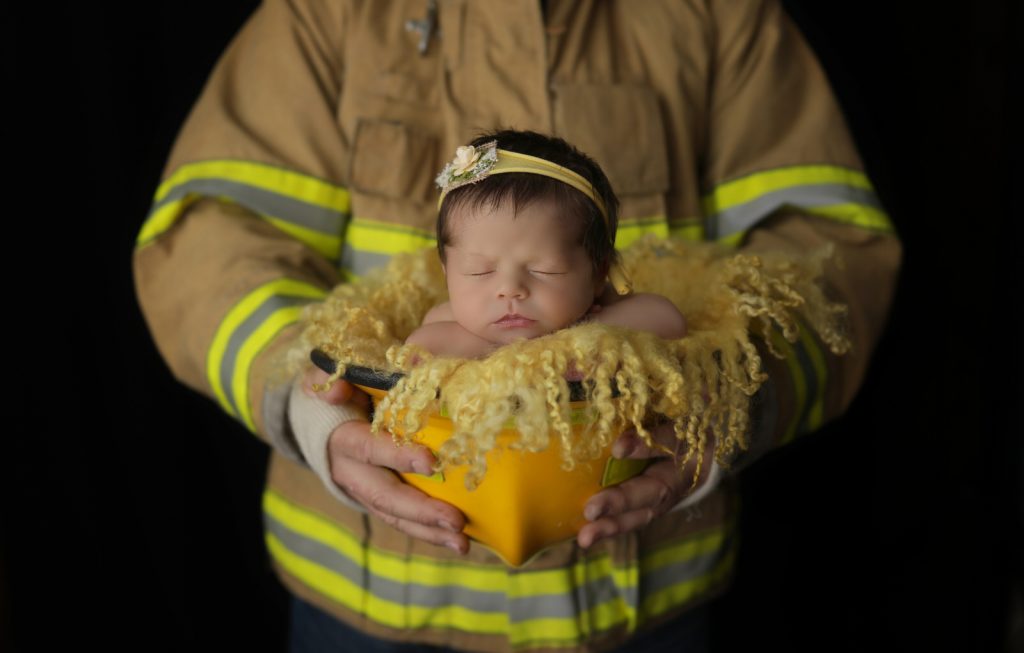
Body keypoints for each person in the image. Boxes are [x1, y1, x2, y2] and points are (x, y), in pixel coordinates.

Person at [132, 1, 902, 651]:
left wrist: (731, 399)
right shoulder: (322, 14)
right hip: (366, 609)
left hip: (646, 606)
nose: (509, 292)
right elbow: (208, 236)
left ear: (602, 276)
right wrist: (312, 404)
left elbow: (827, 248)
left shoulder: (715, 14)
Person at [405, 129, 687, 359]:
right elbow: (423, 345)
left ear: (598, 273)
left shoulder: (597, 307)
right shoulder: (452, 318)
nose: (510, 290)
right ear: (448, 274)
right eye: (479, 271)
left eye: (545, 270)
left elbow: (668, 319)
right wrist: (525, 350)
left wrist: (579, 335)